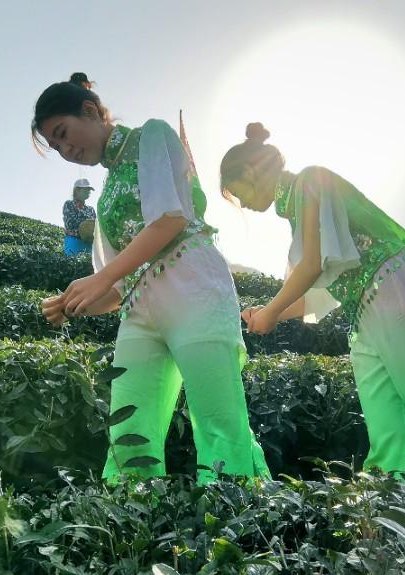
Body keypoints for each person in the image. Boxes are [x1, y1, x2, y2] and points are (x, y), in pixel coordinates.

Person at [33, 73, 268, 484]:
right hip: (139, 310)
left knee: (218, 419)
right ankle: (131, 528)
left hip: (192, 286)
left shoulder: (152, 137)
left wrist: (100, 279)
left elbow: (170, 219)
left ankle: (238, 529)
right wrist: (74, 303)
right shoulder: (105, 199)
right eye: (56, 147)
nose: (66, 150)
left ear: (91, 111)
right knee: (129, 430)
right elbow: (115, 288)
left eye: (64, 133)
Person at [221, 123, 405, 476]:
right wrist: (269, 313)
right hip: (363, 313)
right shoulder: (296, 211)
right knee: (385, 424)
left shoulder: (310, 181)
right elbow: (322, 291)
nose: (244, 206)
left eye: (238, 193)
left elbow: (311, 267)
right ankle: (392, 507)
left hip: (395, 291)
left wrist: (271, 310)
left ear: (250, 171)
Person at [62, 178, 97, 256]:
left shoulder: (90, 209)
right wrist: (87, 224)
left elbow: (96, 226)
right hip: (74, 242)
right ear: (77, 190)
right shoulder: (69, 204)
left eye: (89, 190)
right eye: (86, 189)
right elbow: (70, 224)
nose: (89, 192)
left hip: (88, 244)